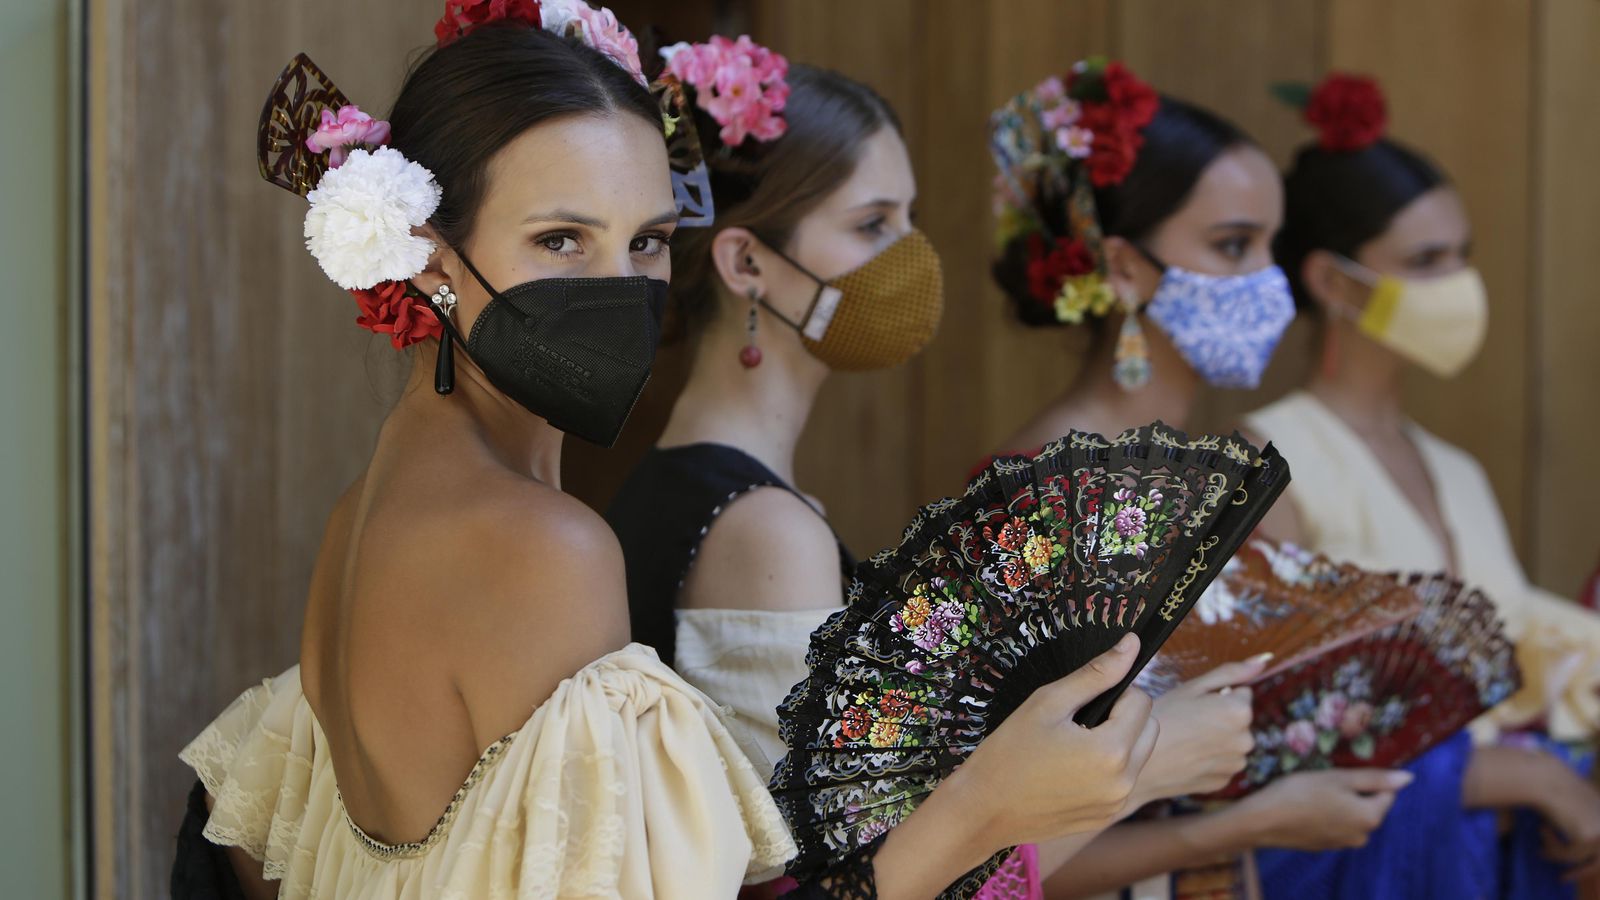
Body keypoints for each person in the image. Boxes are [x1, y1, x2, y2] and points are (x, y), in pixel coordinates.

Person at [173, 9, 1159, 899]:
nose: (621, 286)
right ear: (432, 259)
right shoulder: (540, 547)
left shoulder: (366, 516)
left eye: (646, 241)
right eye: (562, 239)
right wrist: (992, 806)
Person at [606, 45, 1168, 899]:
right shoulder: (764, 529)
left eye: (909, 219)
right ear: (746, 263)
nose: (913, 256)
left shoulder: (689, 491)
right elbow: (840, 884)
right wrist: (1154, 766)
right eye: (873, 225)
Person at [982, 61, 1406, 900]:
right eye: (1232, 245)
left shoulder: (1202, 468)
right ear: (1125, 267)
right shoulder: (1050, 492)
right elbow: (991, 844)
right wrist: (1246, 823)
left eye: (1271, 246)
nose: (1267, 282)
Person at [1245, 72, 1600, 898]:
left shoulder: (1457, 469)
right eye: (1425, 261)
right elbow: (1271, 728)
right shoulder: (1269, 459)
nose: (1458, 284)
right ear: (1333, 282)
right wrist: (1529, 778)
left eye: (1462, 255)